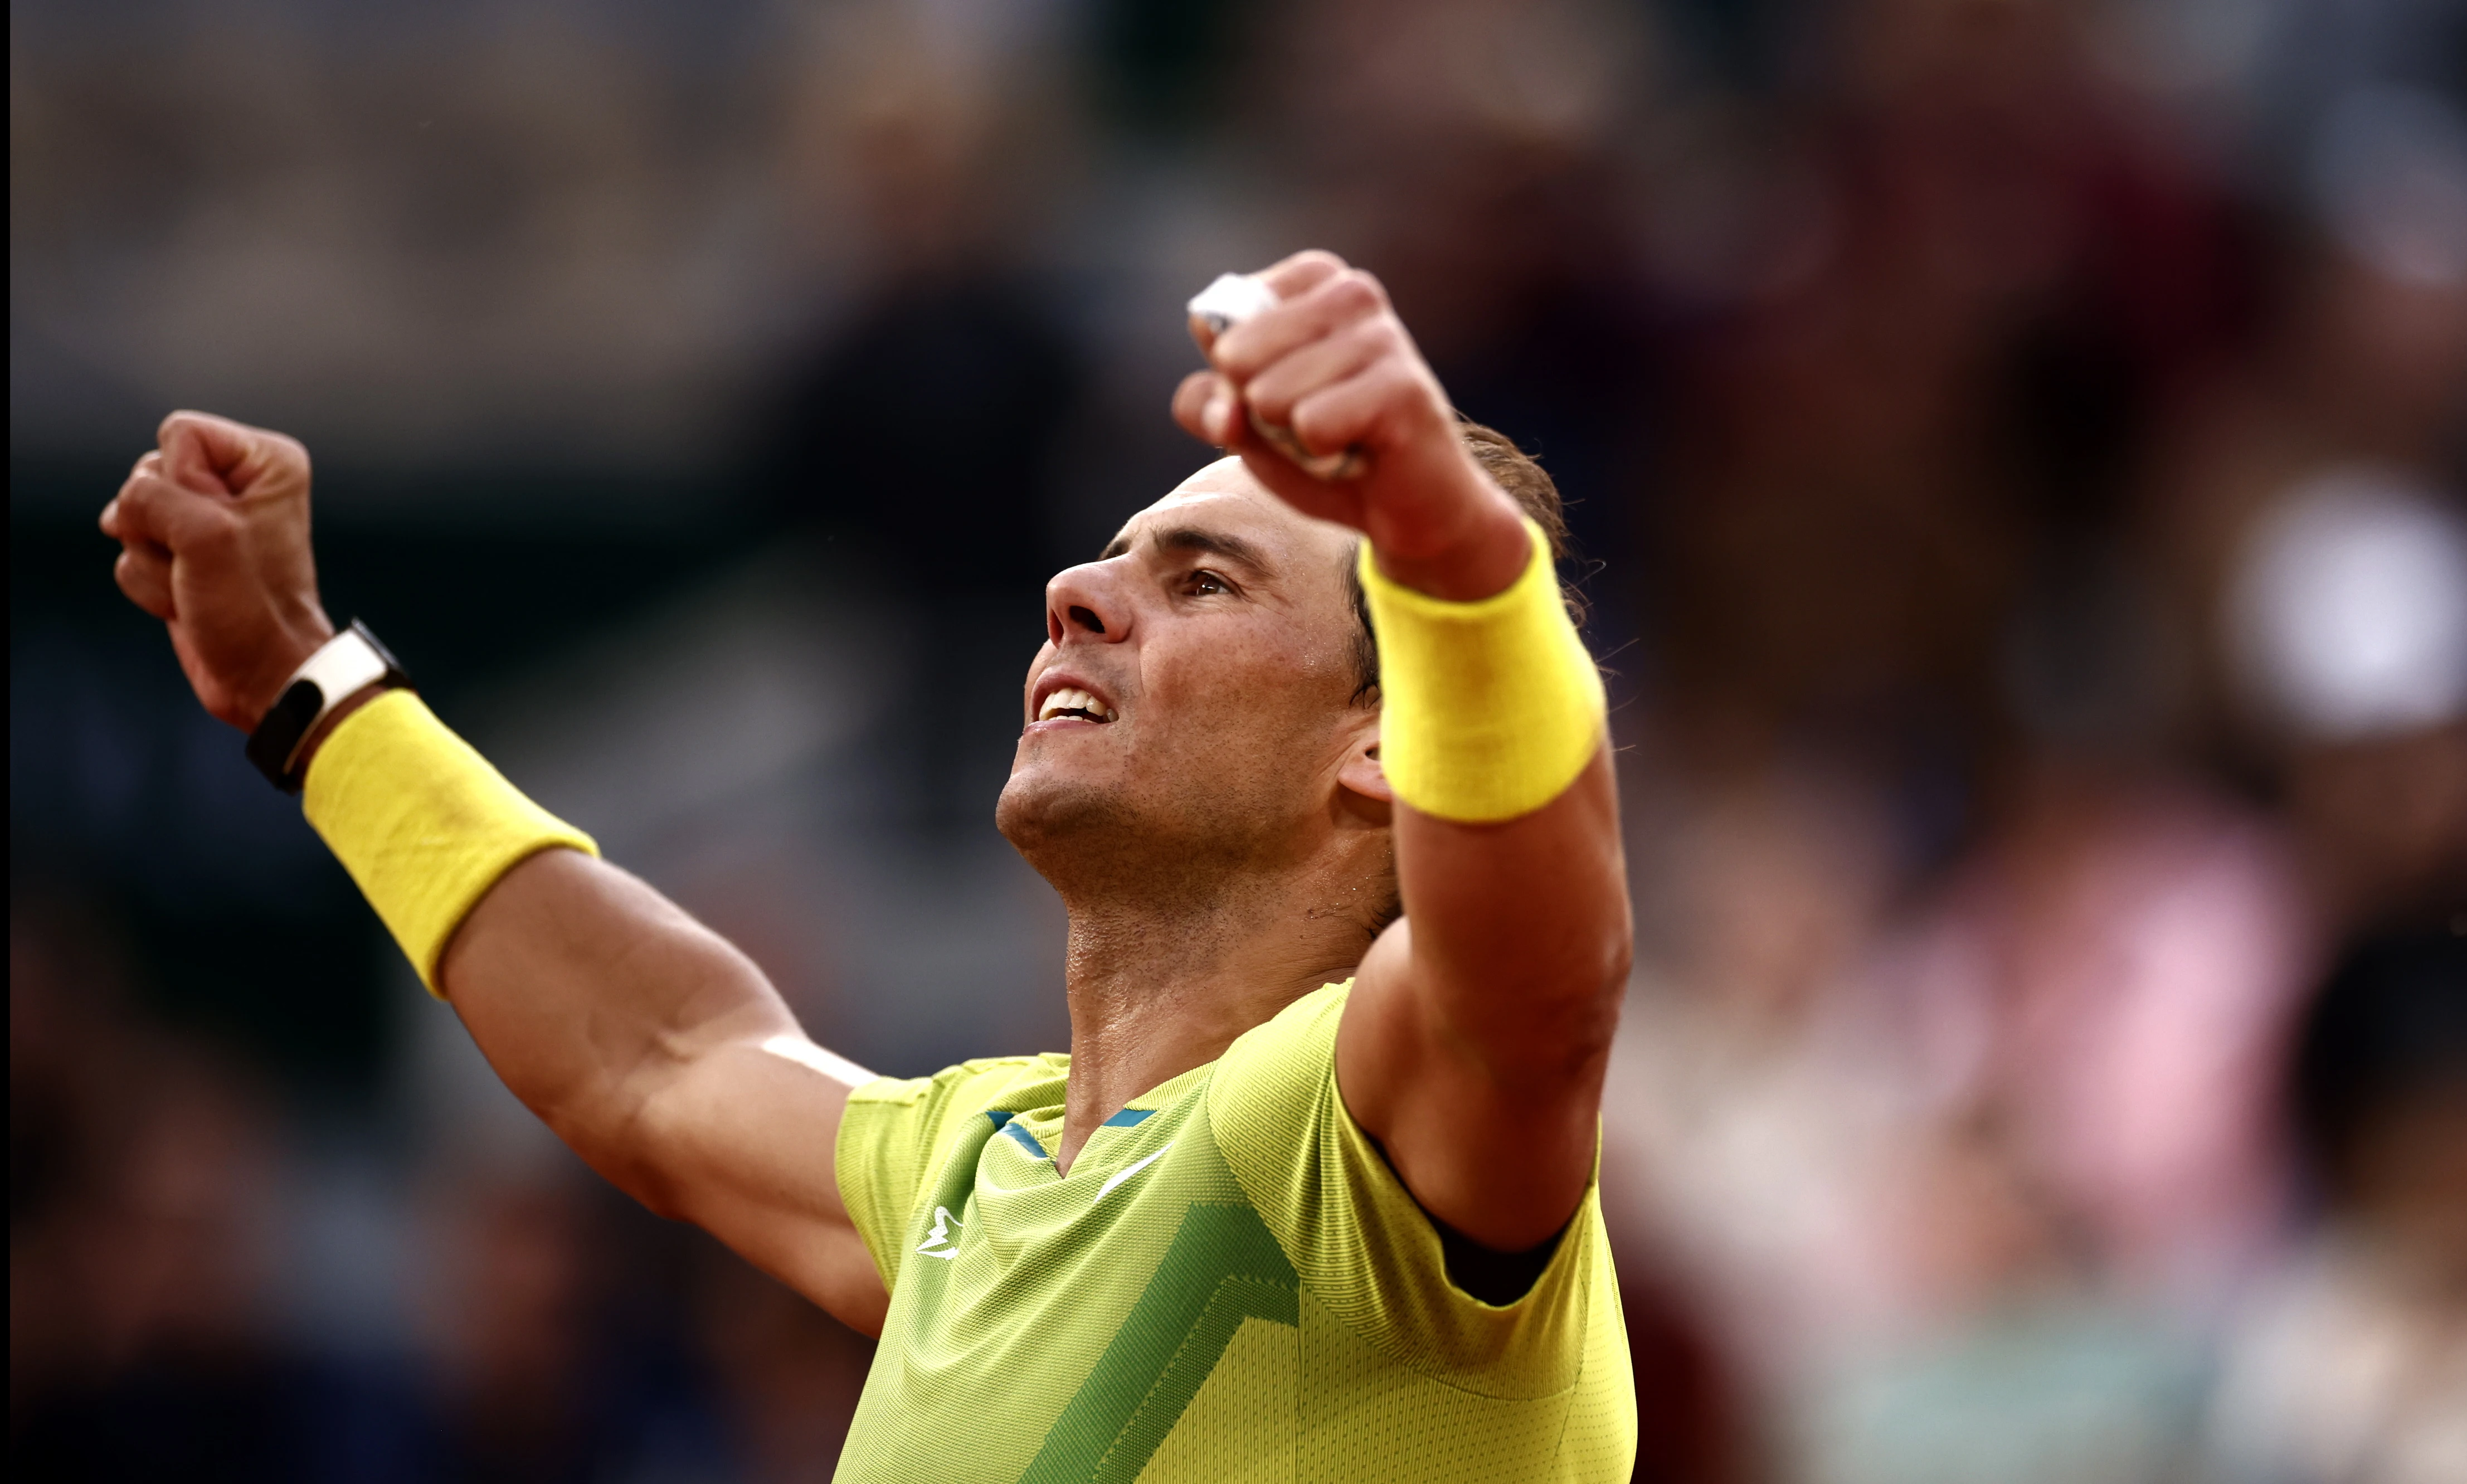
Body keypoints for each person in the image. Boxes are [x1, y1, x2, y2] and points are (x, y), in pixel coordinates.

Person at [96, 251, 1638, 1482]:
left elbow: (1539, 979)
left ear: (1385, 740)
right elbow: (656, 1050)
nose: (1077, 592)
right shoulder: (980, 1168)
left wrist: (1451, 559)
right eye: (1108, 554)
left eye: (1205, 578)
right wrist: (306, 686)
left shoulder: (1369, 1122)